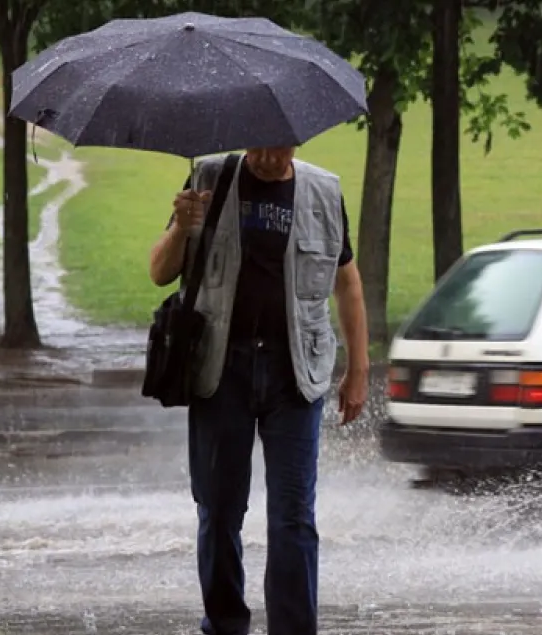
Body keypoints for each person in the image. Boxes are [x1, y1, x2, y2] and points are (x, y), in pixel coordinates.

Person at [147, 146, 370, 635]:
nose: (271, 155)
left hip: (295, 373)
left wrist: (358, 369)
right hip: (220, 371)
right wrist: (181, 226)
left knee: (293, 517)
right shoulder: (208, 175)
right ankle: (225, 624)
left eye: (282, 144)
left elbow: (346, 281)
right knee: (220, 509)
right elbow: (160, 272)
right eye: (261, 143)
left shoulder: (322, 191)